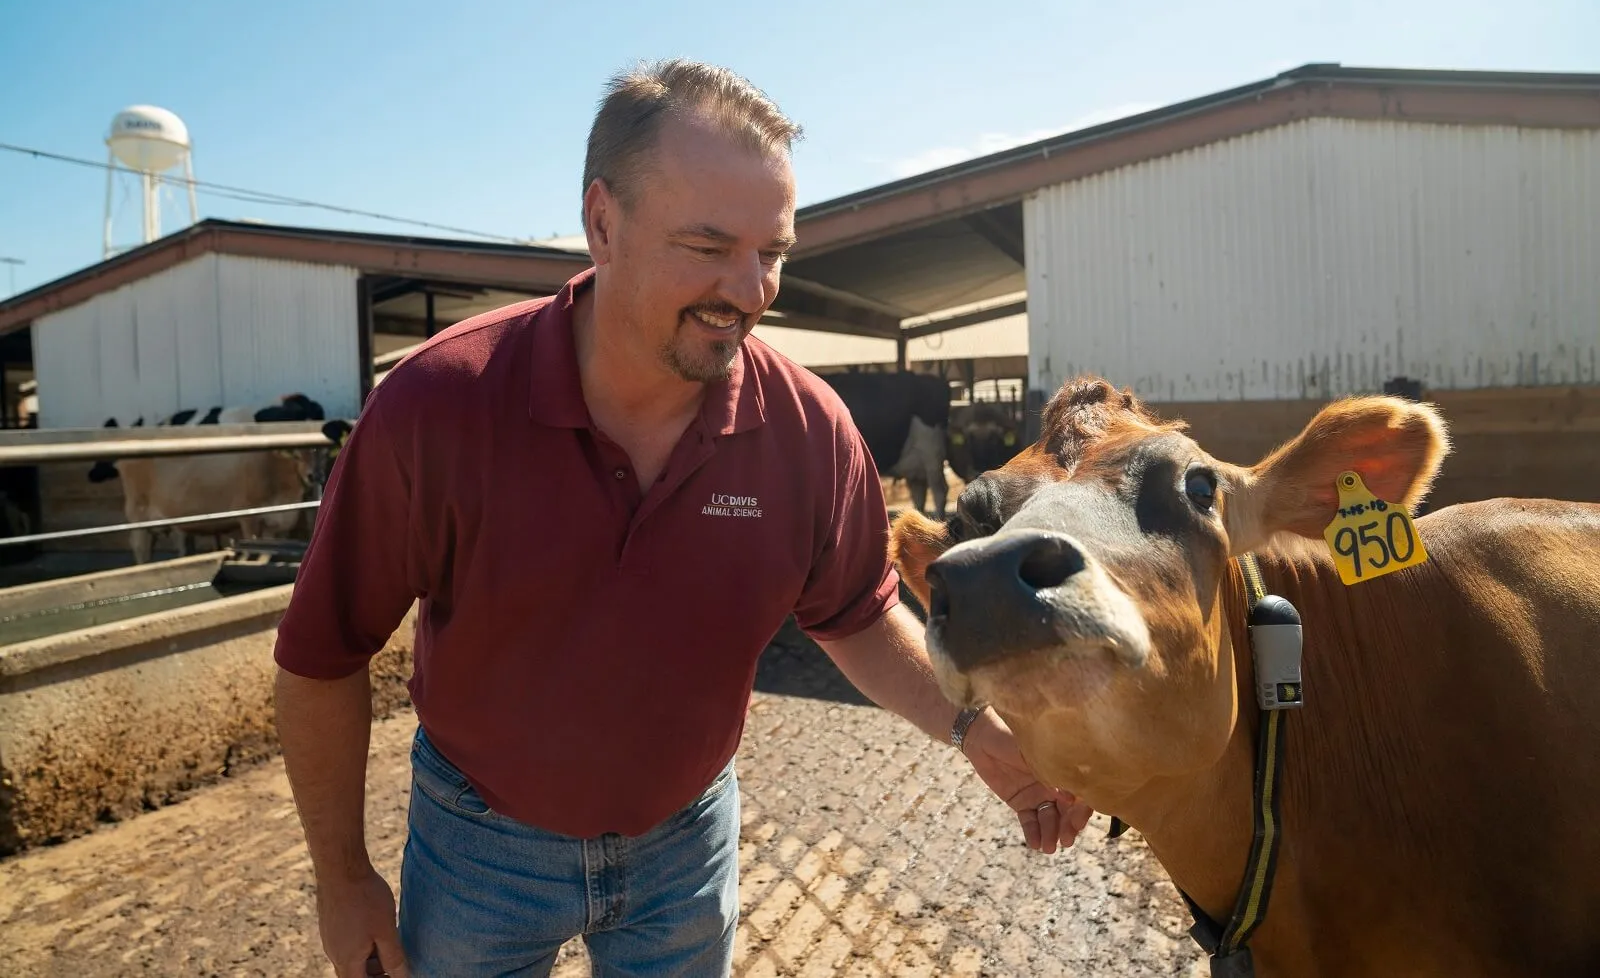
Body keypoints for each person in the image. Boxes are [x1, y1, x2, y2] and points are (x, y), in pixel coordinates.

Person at [272, 58, 1094, 978]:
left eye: (772, 253)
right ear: (602, 224)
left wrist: (978, 732)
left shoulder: (807, 431)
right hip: (479, 848)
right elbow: (320, 656)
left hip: (687, 847)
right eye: (708, 246)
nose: (749, 290)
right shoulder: (441, 406)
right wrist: (342, 878)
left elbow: (856, 613)